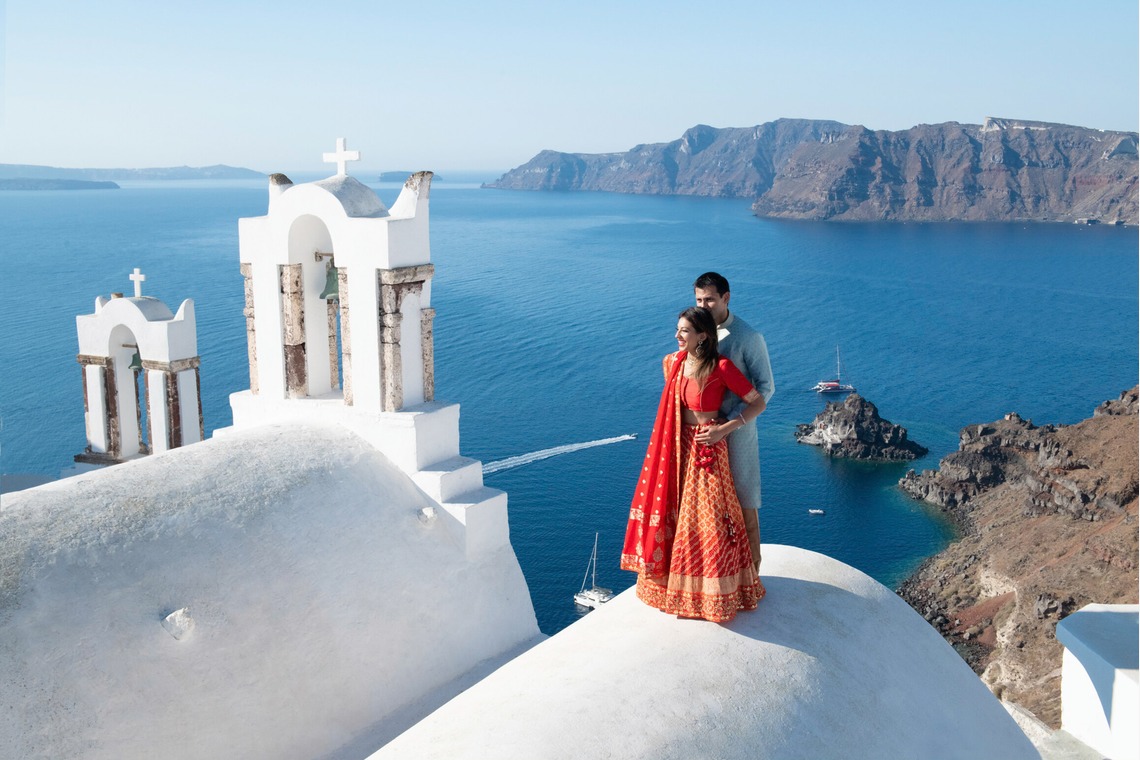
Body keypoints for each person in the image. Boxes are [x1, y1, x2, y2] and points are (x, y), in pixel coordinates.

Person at [620, 307, 766, 622]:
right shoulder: (673, 363)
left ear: (702, 335)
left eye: (684, 331)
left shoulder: (722, 367)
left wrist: (724, 429)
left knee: (709, 521)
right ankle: (678, 590)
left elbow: (758, 402)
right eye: (677, 330)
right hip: (677, 445)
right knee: (678, 515)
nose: (677, 336)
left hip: (707, 448)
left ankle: (717, 595)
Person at [693, 272, 774, 573]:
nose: (704, 305)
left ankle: (752, 574)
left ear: (726, 298)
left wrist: (727, 426)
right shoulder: (696, 334)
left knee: (744, 500)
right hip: (703, 434)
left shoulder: (747, 337)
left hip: (736, 431)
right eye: (699, 299)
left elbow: (766, 388)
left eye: (710, 299)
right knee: (705, 504)